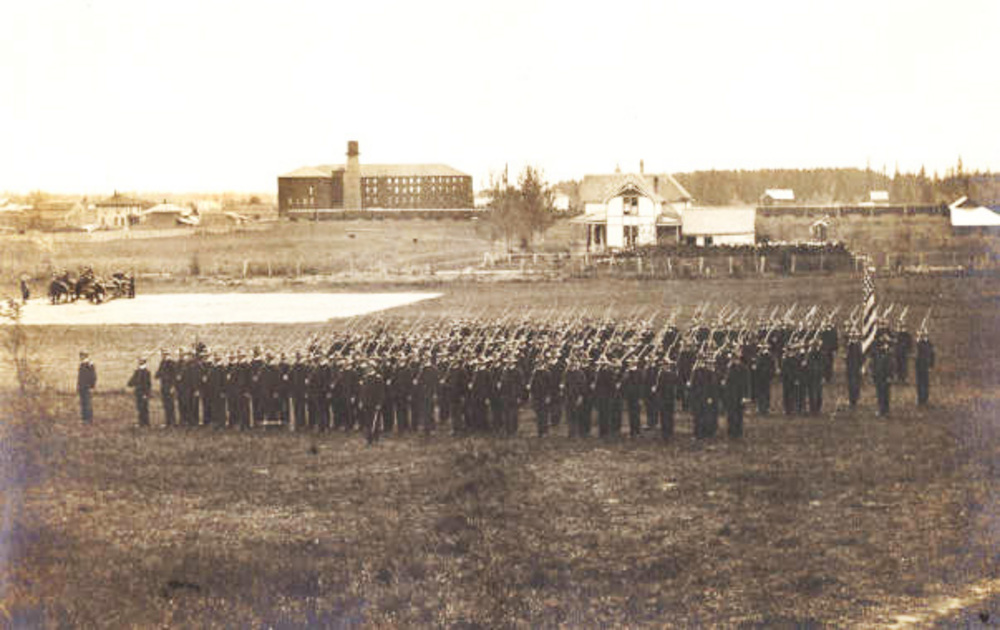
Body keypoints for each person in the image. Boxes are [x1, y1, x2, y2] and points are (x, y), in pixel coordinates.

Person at [127, 357, 152, 427]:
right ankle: (141, 422)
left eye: (140, 361)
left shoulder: (146, 372)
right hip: (138, 392)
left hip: (143, 392)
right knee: (139, 407)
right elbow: (132, 381)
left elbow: (148, 384)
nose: (139, 362)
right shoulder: (137, 371)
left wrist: (146, 393)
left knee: (144, 408)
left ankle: (146, 423)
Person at [915, 328, 935, 405]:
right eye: (922, 335)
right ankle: (920, 400)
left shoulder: (929, 344)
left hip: (926, 366)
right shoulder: (919, 343)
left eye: (925, 335)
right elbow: (917, 348)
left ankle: (925, 399)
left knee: (925, 383)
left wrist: (931, 366)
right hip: (919, 366)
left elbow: (932, 355)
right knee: (919, 384)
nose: (924, 336)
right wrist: (918, 338)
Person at [77, 351, 97, 424]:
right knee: (83, 403)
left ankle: (88, 419)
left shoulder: (89, 365)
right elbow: (80, 378)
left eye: (82, 356)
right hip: (82, 387)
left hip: (87, 387)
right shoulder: (82, 365)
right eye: (80, 356)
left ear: (85, 356)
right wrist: (78, 386)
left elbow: (93, 377)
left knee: (87, 403)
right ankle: (84, 419)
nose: (80, 357)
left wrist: (92, 386)